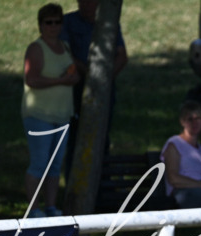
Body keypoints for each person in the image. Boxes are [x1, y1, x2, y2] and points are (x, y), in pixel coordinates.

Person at [22, 3, 81, 218]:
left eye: (57, 22)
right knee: (39, 164)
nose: (53, 26)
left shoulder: (65, 47)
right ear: (41, 25)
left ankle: (50, 207)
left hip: (62, 115)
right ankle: (33, 209)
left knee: (55, 165)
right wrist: (61, 80)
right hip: (39, 116)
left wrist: (72, 78)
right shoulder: (36, 48)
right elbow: (32, 78)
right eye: (49, 22)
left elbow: (72, 73)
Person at [61, 0, 128, 175]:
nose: (87, 5)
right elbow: (64, 55)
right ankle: (73, 181)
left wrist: (104, 79)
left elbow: (121, 55)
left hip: (104, 89)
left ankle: (102, 182)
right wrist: (89, 75)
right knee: (76, 137)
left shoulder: (108, 23)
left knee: (102, 136)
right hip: (77, 87)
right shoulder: (68, 22)